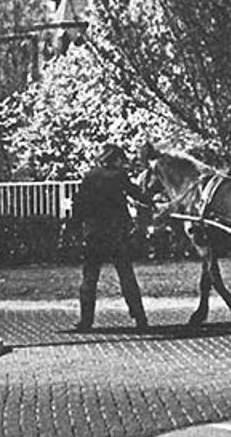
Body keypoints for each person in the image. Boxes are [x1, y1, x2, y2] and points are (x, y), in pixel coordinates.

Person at [70, 142, 151, 331]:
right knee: (126, 276)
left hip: (94, 234)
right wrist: (151, 199)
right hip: (116, 234)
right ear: (115, 159)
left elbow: (79, 204)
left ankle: (86, 320)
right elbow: (137, 194)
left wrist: (75, 227)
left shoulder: (90, 176)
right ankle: (140, 317)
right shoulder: (119, 176)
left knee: (89, 278)